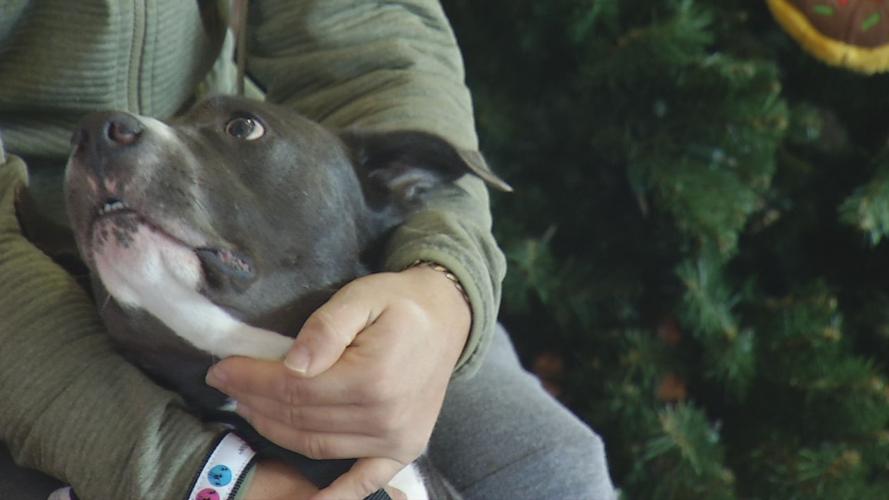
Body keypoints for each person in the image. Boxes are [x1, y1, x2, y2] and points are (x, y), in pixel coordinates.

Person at [0, 1, 617, 499]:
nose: (103, 135)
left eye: (244, 129)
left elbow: (370, 33)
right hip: (33, 304)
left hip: (291, 274)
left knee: (549, 469)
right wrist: (206, 479)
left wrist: (442, 286)